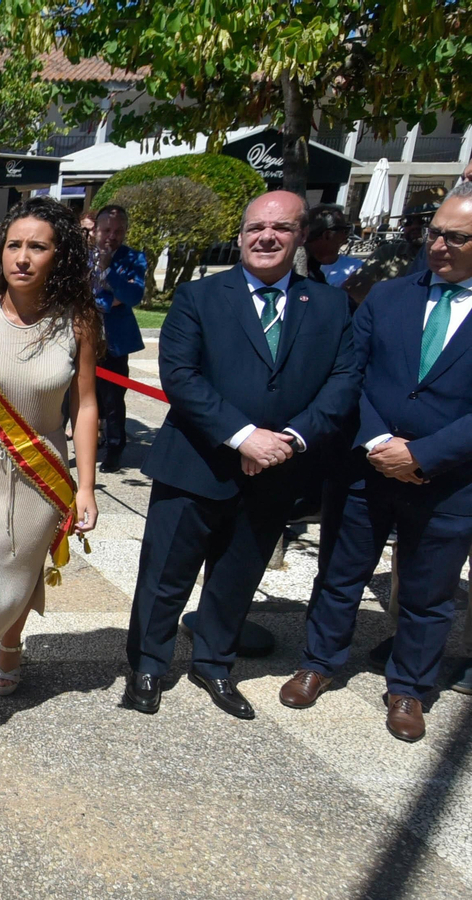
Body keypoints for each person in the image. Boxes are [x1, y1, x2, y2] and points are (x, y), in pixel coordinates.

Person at [123, 190, 358, 720]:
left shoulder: (329, 305)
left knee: (237, 575)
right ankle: (147, 666)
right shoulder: (199, 297)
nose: (266, 237)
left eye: (281, 228)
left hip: (278, 470)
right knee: (164, 576)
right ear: (241, 235)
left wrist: (289, 440)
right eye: (256, 228)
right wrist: (244, 435)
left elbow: (343, 383)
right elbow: (181, 377)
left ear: (300, 236)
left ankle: (214, 664)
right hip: (196, 464)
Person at [281, 182, 472, 740]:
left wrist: (423, 455)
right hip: (365, 469)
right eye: (435, 233)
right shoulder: (388, 297)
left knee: (427, 593)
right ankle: (317, 663)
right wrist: (376, 443)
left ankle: (409, 688)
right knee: (340, 574)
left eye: (456, 238)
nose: (439, 246)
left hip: (449, 482)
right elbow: (350, 375)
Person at [0, 197, 102, 772]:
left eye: (38, 247)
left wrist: (86, 486)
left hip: (41, 473)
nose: (23, 258)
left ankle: (11, 643)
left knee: (21, 572)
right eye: (14, 245)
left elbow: (84, 406)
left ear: (60, 256)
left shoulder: (77, 320)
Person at [90, 205, 146, 473]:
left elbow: (132, 296)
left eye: (118, 230)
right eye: (107, 230)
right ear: (95, 230)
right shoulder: (81, 257)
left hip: (114, 342)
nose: (112, 236)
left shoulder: (133, 259)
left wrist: (108, 270)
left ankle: (114, 448)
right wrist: (108, 300)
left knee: (113, 399)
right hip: (82, 338)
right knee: (73, 396)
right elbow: (80, 295)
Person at [304, 205, 362, 291]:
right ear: (327, 235)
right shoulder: (295, 268)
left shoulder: (357, 268)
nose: (347, 235)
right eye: (344, 230)